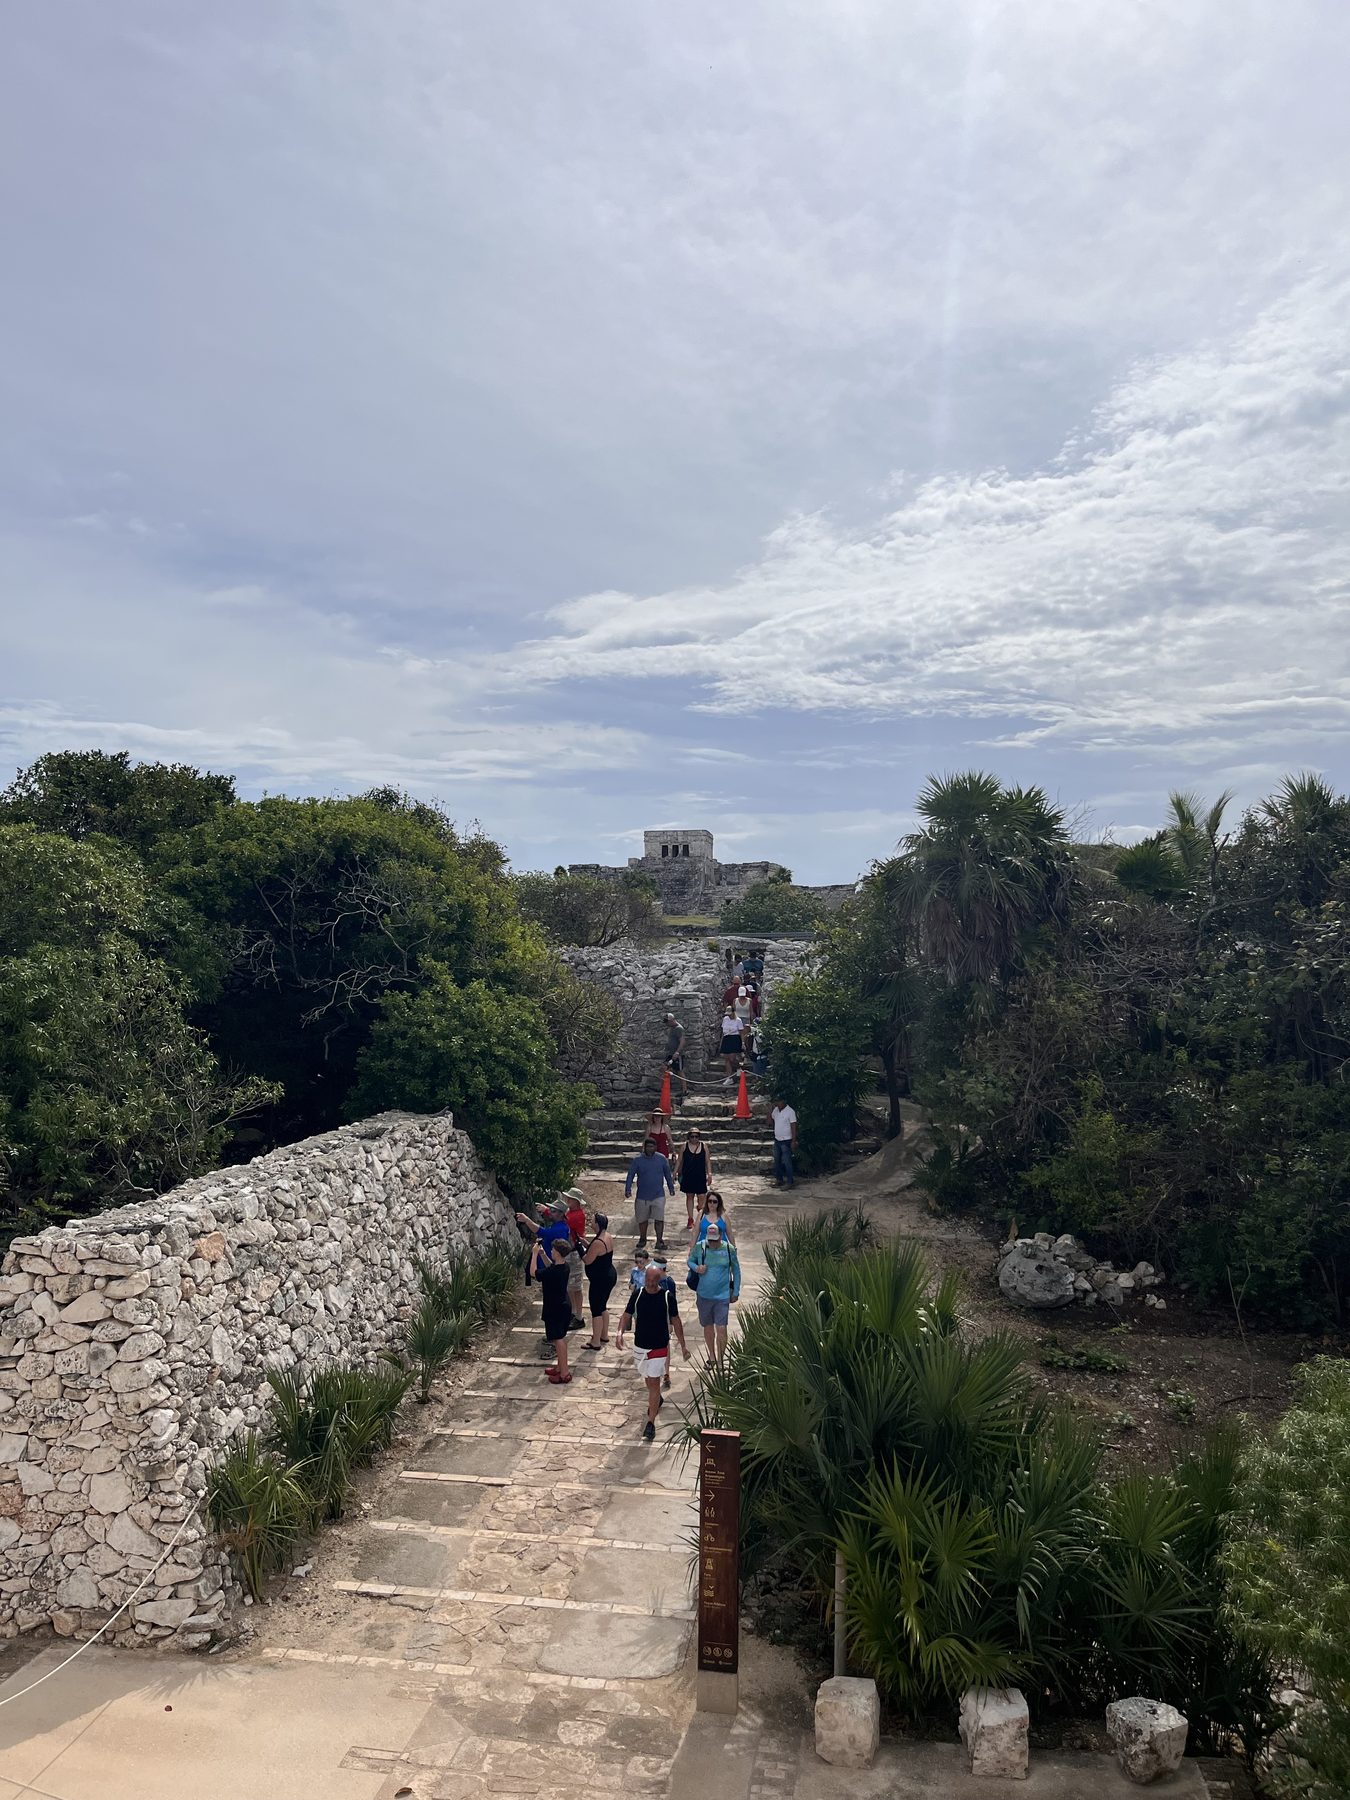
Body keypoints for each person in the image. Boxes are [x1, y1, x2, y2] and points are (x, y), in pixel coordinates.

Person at [615, 1260, 689, 1439]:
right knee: (648, 1380)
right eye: (647, 1281)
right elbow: (627, 1314)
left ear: (658, 1281)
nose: (649, 1284)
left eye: (653, 1282)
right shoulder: (638, 1294)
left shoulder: (667, 1297)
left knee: (654, 1382)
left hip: (659, 1346)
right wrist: (619, 1333)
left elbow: (676, 1320)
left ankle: (651, 1423)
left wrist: (683, 1345)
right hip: (640, 1345)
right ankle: (656, 1399)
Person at [687, 1223, 741, 1364]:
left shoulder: (728, 1250)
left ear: (721, 1236)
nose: (713, 1243)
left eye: (715, 1240)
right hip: (704, 1295)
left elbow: (736, 1270)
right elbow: (690, 1261)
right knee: (708, 1326)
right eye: (710, 1240)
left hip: (722, 1296)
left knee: (721, 1328)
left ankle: (721, 1360)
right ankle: (711, 1355)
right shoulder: (701, 1247)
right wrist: (697, 1268)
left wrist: (736, 1290)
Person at [533, 1237, 574, 1383]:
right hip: (563, 1305)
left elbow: (534, 1273)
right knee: (559, 1339)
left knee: (558, 1339)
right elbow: (551, 1267)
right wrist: (543, 1254)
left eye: (552, 1250)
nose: (551, 1251)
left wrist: (534, 1254)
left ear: (557, 1252)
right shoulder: (564, 1267)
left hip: (555, 1308)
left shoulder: (553, 1272)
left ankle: (564, 1373)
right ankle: (559, 1367)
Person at [625, 1136, 674, 1250]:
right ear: (644, 1147)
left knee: (659, 1219)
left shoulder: (661, 1159)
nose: (650, 1149)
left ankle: (659, 1240)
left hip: (658, 1195)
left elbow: (667, 1174)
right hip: (642, 1195)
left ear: (656, 1147)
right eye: (648, 1146)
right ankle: (643, 1238)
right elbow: (630, 1175)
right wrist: (628, 1189)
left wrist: (671, 1187)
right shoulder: (637, 1160)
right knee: (642, 1219)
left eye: (652, 1146)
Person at [582, 1211, 617, 1350]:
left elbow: (587, 1259)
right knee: (602, 1306)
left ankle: (595, 1341)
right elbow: (596, 1250)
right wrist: (584, 1242)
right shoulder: (607, 1236)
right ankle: (604, 1335)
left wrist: (579, 1248)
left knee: (596, 1309)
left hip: (600, 1280)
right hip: (609, 1275)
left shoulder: (598, 1242)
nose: (590, 1222)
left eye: (592, 1221)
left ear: (597, 1224)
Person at [562, 1187, 588, 1331]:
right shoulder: (572, 1213)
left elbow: (564, 1222)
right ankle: (574, 1314)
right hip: (571, 1252)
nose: (567, 1200)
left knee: (575, 1286)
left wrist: (548, 1211)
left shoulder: (576, 1215)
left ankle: (578, 1316)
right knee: (571, 1286)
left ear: (576, 1201)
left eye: (570, 1199)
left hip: (574, 1253)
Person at [675, 1126, 711, 1232]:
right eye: (692, 1136)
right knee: (689, 1196)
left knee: (702, 1197)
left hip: (699, 1175)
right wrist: (675, 1172)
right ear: (689, 1137)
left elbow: (707, 1161)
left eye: (696, 1136)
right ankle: (690, 1218)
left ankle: (700, 1213)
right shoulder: (684, 1146)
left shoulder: (704, 1146)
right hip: (688, 1175)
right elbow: (679, 1160)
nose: (694, 1139)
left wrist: (709, 1173)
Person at [651, 1253, 678, 1388]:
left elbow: (673, 1304)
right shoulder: (650, 1280)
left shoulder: (669, 1282)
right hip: (652, 1318)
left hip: (665, 1319)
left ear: (661, 1269)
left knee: (665, 1346)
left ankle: (666, 1373)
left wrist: (672, 1322)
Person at [771, 1097, 798, 1188]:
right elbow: (769, 1122)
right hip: (777, 1139)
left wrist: (793, 1140)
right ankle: (779, 1179)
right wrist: (769, 1111)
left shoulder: (790, 1112)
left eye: (778, 1102)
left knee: (787, 1161)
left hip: (786, 1140)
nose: (777, 1104)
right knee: (777, 1160)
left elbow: (793, 1126)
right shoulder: (775, 1110)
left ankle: (790, 1181)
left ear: (783, 1101)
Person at [662, 1013, 687, 1106]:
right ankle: (666, 1088)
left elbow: (682, 1041)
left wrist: (677, 1052)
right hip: (670, 1054)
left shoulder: (679, 1029)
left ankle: (684, 1090)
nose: (666, 1024)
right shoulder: (672, 1028)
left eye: (667, 1022)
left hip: (677, 1054)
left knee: (679, 1071)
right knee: (664, 1067)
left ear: (672, 1020)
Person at [718, 1007, 743, 1084]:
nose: (729, 1015)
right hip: (726, 1038)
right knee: (726, 1059)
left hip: (735, 1038)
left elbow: (741, 1032)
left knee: (732, 1058)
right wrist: (721, 1042)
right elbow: (723, 1032)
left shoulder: (738, 1020)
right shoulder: (725, 1019)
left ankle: (739, 1067)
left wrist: (743, 1043)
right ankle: (729, 1077)